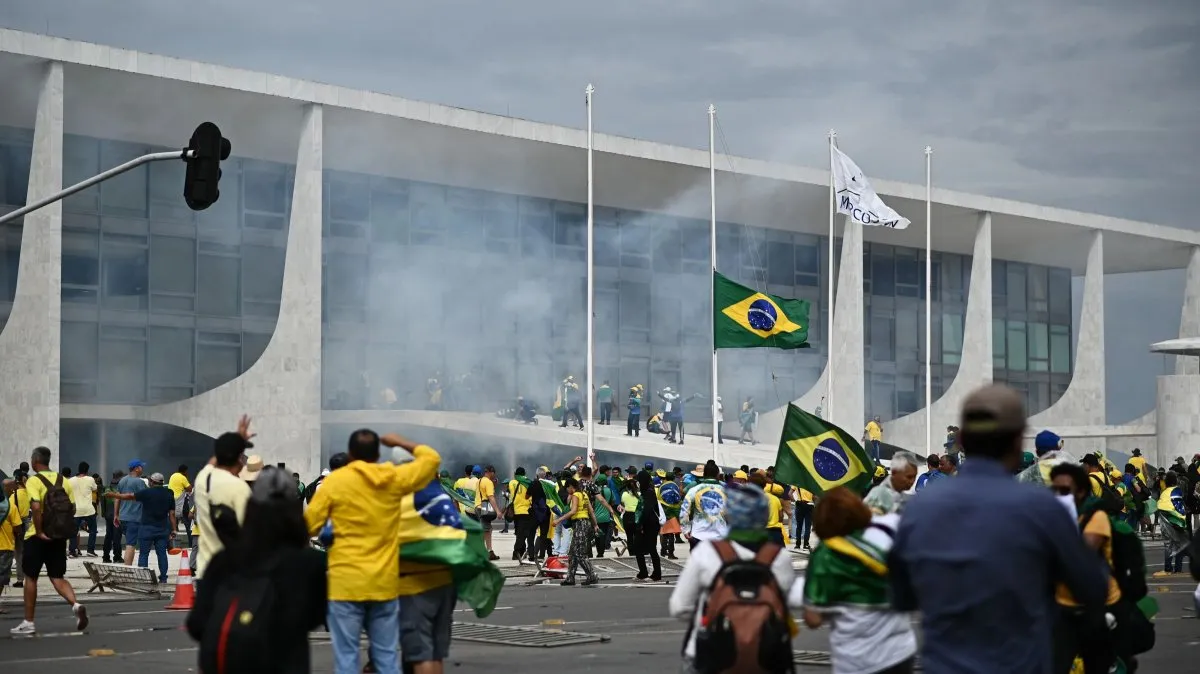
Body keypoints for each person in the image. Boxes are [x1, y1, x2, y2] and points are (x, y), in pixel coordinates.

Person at [889, 384, 1108, 672]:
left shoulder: (920, 509)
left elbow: (901, 596)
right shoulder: (1043, 509)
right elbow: (1093, 587)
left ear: (962, 441)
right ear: (1018, 442)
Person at [304, 430, 440, 674]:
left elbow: (309, 525)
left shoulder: (335, 482)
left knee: (346, 658)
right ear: (378, 454)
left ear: (350, 454)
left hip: (345, 584)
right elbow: (431, 459)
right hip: (383, 583)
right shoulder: (392, 477)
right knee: (386, 657)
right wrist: (399, 441)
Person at [187, 466, 327, 673]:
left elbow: (197, 623)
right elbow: (315, 617)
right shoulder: (310, 562)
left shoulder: (223, 560)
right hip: (287, 662)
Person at [669, 483, 795, 674]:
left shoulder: (707, 552)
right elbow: (786, 606)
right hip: (766, 654)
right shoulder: (779, 557)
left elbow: (680, 607)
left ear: (729, 515)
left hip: (710, 653)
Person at [803, 487, 917, 674]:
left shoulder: (827, 554)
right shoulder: (886, 536)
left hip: (857, 659)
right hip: (900, 652)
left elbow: (813, 619)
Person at [1048, 462, 1130, 674]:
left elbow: (1081, 556)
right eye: (1054, 490)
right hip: (1064, 605)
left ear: (1081, 492)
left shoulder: (1095, 517)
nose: (1059, 495)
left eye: (1065, 490)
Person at [10, 446, 88, 635]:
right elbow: (72, 508)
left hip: (37, 537)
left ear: (35, 461)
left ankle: (29, 622)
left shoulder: (34, 481)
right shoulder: (63, 481)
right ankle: (76, 605)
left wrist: (39, 531)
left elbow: (36, 507)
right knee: (57, 577)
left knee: (31, 577)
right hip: (58, 536)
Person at [194, 417, 256, 585]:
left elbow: (214, 461)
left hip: (205, 573)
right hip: (231, 576)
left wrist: (235, 440)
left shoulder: (202, 479)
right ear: (239, 458)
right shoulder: (239, 488)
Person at [107, 472, 177, 583]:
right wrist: (174, 529)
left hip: (146, 528)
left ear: (152, 482)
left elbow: (129, 496)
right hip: (163, 529)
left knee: (144, 554)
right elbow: (172, 514)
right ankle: (163, 578)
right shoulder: (169, 493)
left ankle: (143, 578)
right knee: (162, 554)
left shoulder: (147, 492)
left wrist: (115, 495)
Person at [551, 477, 599, 586]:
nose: (567, 490)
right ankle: (570, 578)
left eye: (567, 488)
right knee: (572, 553)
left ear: (571, 486)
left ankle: (592, 576)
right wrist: (595, 524)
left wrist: (559, 520)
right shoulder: (584, 494)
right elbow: (591, 511)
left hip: (580, 524)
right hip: (585, 523)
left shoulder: (576, 495)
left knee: (580, 553)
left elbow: (573, 511)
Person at [115, 460, 148, 566]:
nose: (142, 469)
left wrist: (116, 515)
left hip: (123, 517)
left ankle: (127, 566)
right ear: (136, 468)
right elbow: (146, 498)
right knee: (130, 544)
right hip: (134, 518)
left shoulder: (122, 480)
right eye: (141, 467)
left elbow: (117, 498)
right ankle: (127, 568)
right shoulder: (140, 482)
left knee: (129, 542)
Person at [634, 469, 663, 581]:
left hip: (650, 524)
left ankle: (656, 574)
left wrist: (640, 524)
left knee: (651, 549)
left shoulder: (649, 492)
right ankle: (643, 572)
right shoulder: (646, 491)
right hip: (648, 523)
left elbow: (647, 510)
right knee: (640, 548)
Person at [68, 462, 98, 558]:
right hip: (88, 509)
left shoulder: (71, 480)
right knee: (93, 530)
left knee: (73, 532)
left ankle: (72, 551)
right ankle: (90, 550)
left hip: (76, 510)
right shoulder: (90, 479)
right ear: (87, 470)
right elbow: (95, 488)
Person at [474, 465, 500, 561]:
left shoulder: (479, 481)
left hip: (478, 506)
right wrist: (497, 511)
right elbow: (490, 497)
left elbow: (484, 492)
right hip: (484, 508)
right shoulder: (488, 482)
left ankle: (489, 551)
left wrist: (494, 484)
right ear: (491, 472)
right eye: (494, 473)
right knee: (486, 530)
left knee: (487, 530)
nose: (494, 475)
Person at [168, 465, 193, 547]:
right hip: (181, 503)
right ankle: (191, 544)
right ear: (185, 471)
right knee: (188, 524)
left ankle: (172, 545)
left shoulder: (173, 476)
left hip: (172, 502)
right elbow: (190, 489)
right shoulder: (183, 477)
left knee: (173, 525)